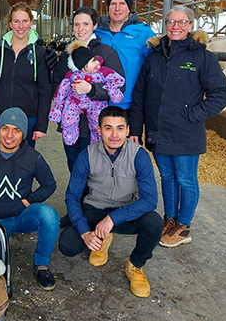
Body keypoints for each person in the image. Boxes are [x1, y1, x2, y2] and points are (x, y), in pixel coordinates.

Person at [129, 5, 226, 248]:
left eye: (182, 22)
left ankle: (184, 227)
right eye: (171, 22)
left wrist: (194, 114)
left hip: (186, 132)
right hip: (157, 130)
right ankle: (170, 220)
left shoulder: (202, 57)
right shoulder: (153, 56)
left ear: (190, 25)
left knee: (185, 179)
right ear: (165, 25)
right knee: (166, 177)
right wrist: (135, 129)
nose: (176, 26)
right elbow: (140, 94)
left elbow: (222, 93)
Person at [58, 106, 163, 298]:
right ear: (98, 130)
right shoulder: (86, 155)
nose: (114, 135)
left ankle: (135, 266)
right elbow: (72, 197)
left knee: (154, 223)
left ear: (128, 130)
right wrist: (84, 232)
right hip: (95, 209)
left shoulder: (139, 155)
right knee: (68, 245)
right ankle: (101, 238)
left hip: (125, 212)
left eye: (120, 128)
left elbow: (150, 200)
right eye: (108, 128)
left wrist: (113, 218)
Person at [0, 107, 59, 291]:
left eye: (16, 130)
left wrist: (27, 201)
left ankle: (41, 264)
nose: (9, 135)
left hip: (22, 215)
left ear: (23, 134)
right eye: (5, 128)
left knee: (49, 216)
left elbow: (50, 184)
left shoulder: (33, 157)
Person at [53, 6, 126, 174]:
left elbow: (120, 87)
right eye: (77, 24)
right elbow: (56, 82)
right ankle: (76, 200)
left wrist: (91, 90)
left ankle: (93, 200)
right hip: (71, 122)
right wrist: (66, 104)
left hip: (95, 123)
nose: (80, 29)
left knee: (96, 168)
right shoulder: (67, 54)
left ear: (94, 26)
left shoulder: (106, 53)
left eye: (85, 24)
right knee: (74, 165)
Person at [0, 2, 52, 148]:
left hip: (28, 117)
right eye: (16, 21)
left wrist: (41, 125)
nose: (20, 26)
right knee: (2, 157)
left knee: (25, 161)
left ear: (31, 22)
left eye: (25, 21)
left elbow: (45, 90)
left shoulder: (40, 53)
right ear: (10, 23)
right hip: (1, 115)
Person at [49, 42, 125, 145]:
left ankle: (97, 140)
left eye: (96, 60)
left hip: (95, 104)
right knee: (68, 116)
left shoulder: (102, 73)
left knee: (97, 121)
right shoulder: (73, 76)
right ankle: (70, 134)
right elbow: (61, 90)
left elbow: (118, 80)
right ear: (84, 67)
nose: (98, 63)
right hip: (75, 102)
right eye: (93, 62)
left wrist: (111, 89)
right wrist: (58, 108)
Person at [95, 0, 156, 110]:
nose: (117, 8)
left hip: (130, 102)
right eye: (113, 4)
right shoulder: (96, 31)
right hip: (97, 101)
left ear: (129, 7)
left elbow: (157, 62)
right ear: (108, 8)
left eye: (122, 3)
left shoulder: (143, 32)